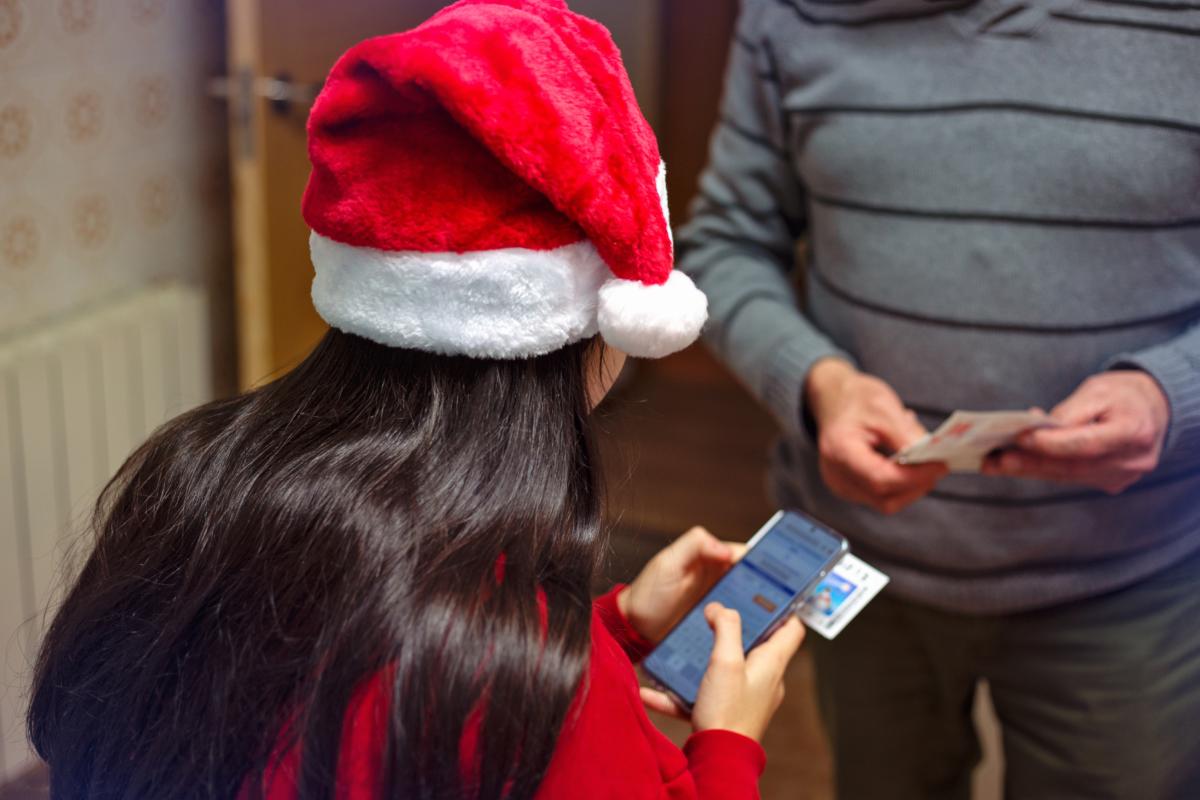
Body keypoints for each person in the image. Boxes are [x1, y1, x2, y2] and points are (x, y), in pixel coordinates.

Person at [26, 2, 805, 798]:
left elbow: (364, 703)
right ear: (595, 320)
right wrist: (727, 744)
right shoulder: (529, 678)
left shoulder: (192, 471)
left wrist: (606, 628)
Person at [675, 0, 1200, 797]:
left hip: (1133, 585)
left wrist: (1173, 392)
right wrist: (820, 382)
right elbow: (723, 242)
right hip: (863, 576)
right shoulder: (789, 13)